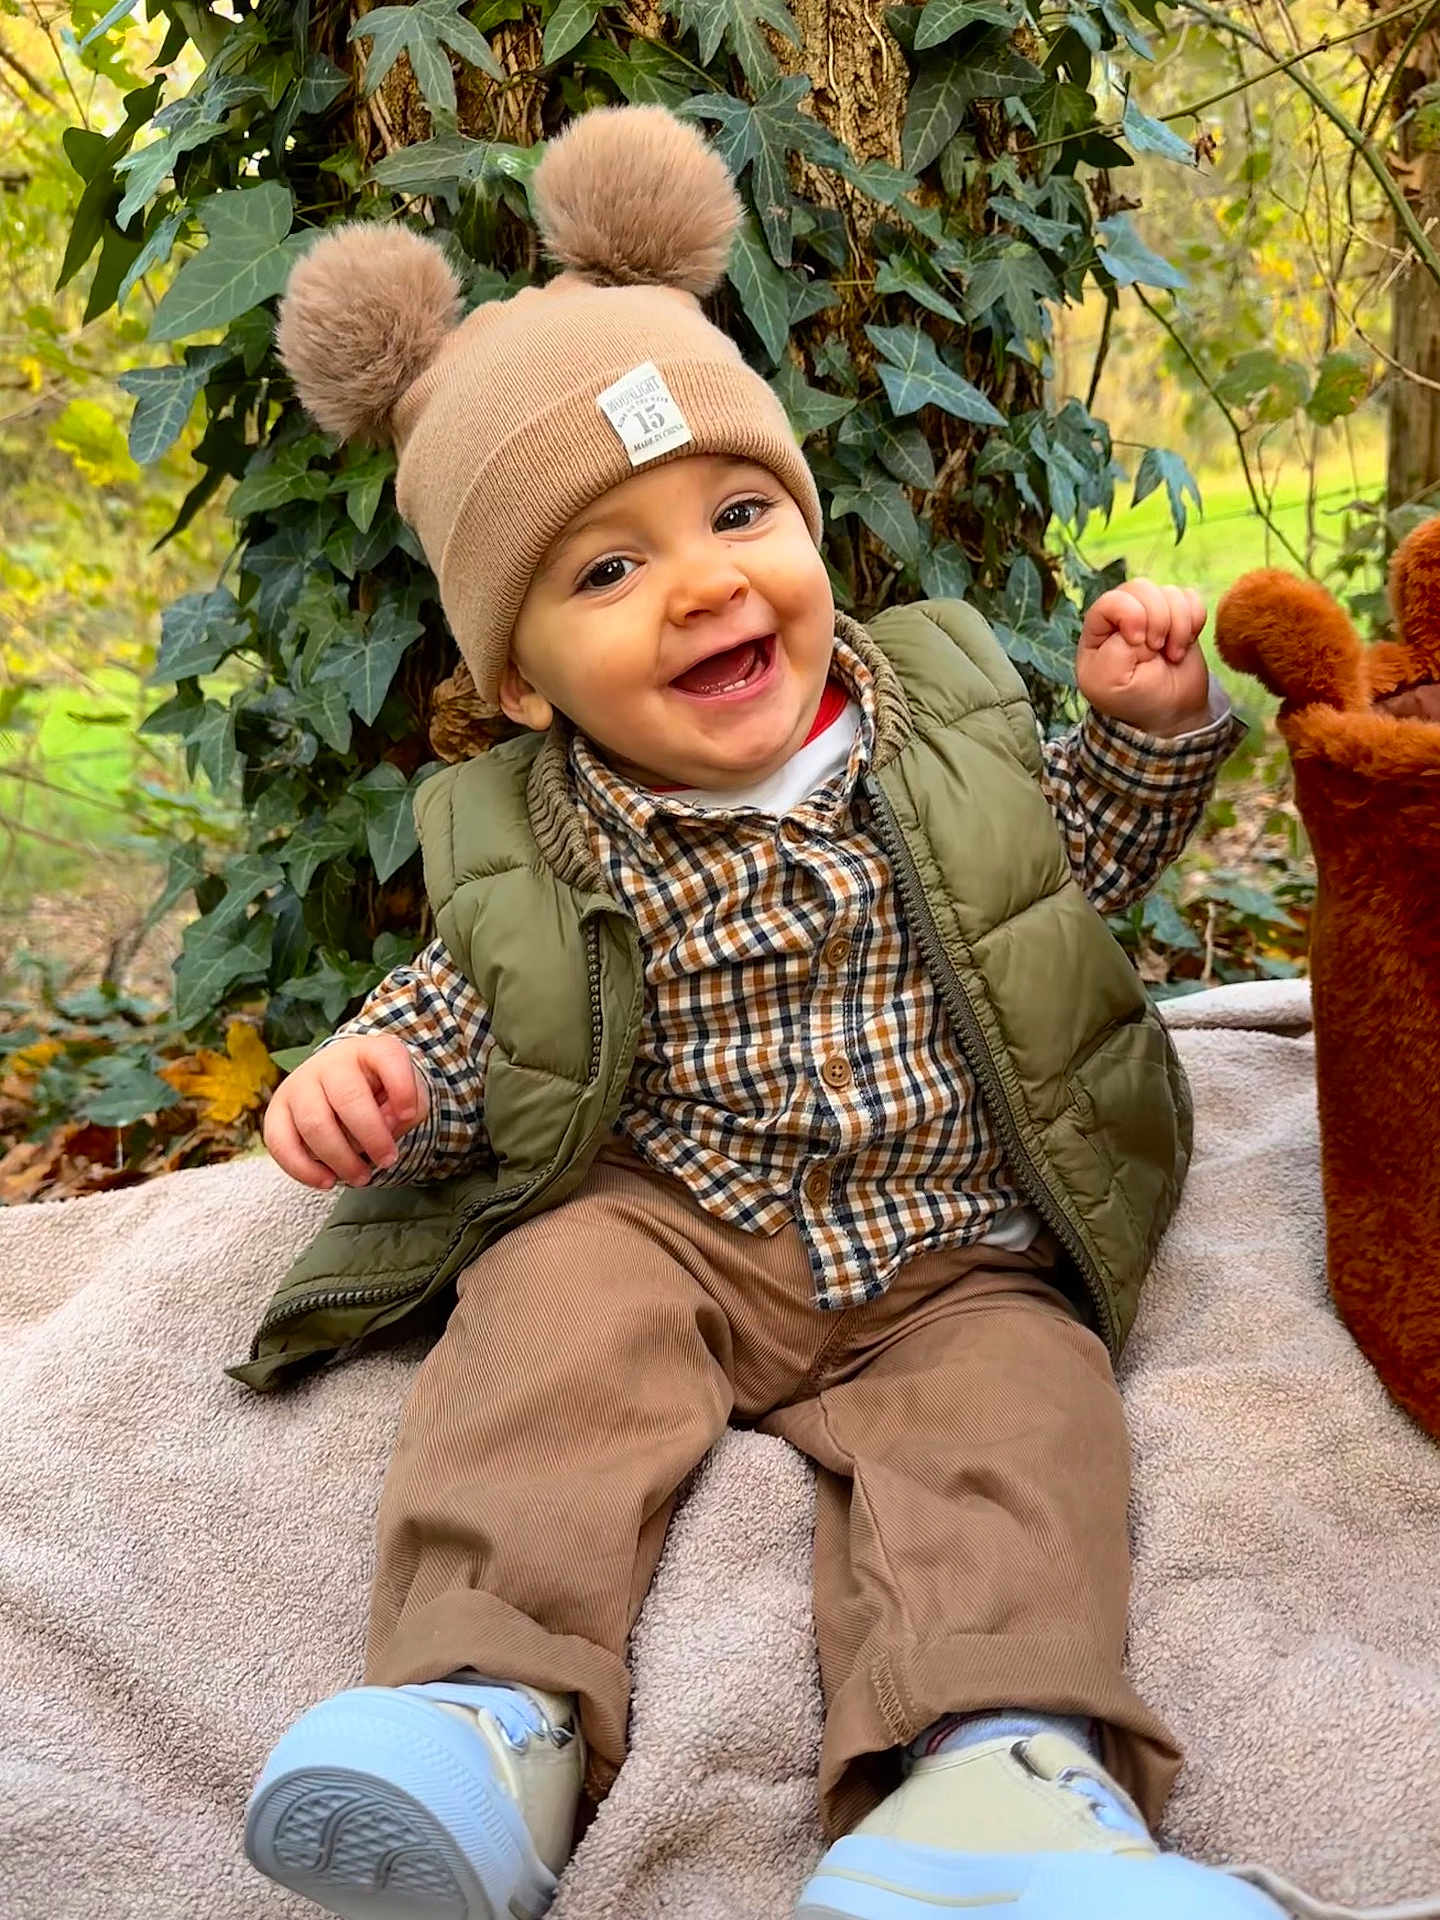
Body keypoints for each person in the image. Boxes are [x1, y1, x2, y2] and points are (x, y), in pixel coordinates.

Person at [240, 103, 1279, 1920]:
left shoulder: (938, 728)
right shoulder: (539, 836)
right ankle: (484, 1706)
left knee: (1024, 1430)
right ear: (516, 678)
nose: (709, 580)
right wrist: (381, 1074)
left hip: (954, 1241)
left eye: (737, 514)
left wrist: (1139, 730)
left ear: (800, 523)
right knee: (546, 1321)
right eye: (608, 569)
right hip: (682, 1224)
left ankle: (998, 1778)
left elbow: (1077, 865)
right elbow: (471, 1009)